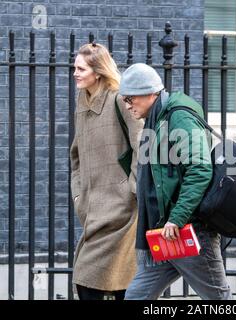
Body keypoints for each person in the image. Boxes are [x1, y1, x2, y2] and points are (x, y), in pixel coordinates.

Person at [121, 63, 232, 300]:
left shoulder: (178, 116)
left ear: (151, 93)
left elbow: (199, 169)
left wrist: (177, 218)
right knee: (135, 297)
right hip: (166, 233)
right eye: (125, 100)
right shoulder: (157, 118)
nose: (128, 105)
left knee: (219, 300)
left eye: (131, 98)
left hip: (187, 230)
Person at [70, 43, 143, 300]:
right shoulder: (83, 102)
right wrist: (79, 195)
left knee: (93, 281)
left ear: (98, 72)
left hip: (122, 211)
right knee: (102, 283)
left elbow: (142, 145)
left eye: (81, 68)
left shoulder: (119, 100)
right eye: (75, 67)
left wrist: (131, 190)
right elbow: (76, 154)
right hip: (93, 210)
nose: (75, 73)